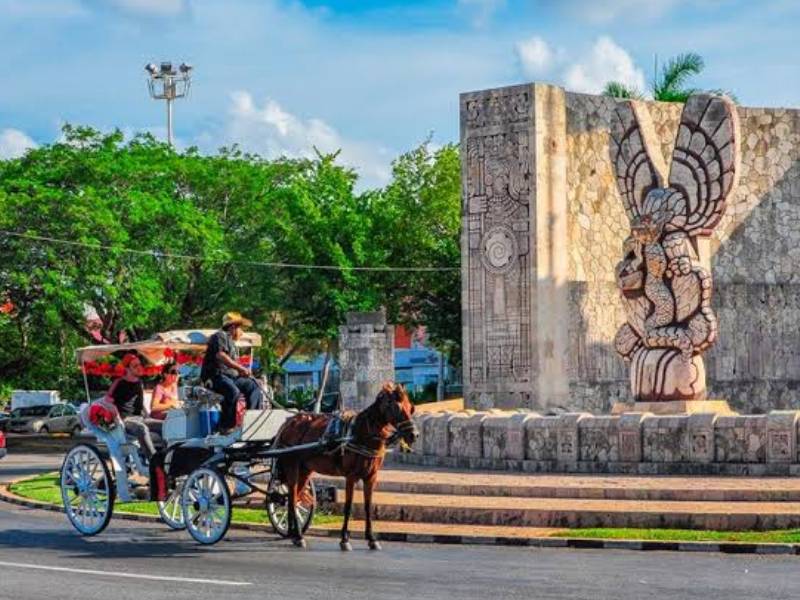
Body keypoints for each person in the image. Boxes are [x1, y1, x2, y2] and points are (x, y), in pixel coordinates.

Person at [201, 312, 263, 433]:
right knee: (232, 391)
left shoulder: (232, 344)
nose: (242, 332)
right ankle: (226, 426)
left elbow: (232, 367)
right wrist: (241, 368)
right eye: (241, 329)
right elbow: (221, 355)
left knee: (254, 386)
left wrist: (242, 373)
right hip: (215, 377)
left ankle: (252, 422)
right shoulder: (219, 336)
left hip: (231, 377)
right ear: (233, 327)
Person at [105, 352, 159, 459]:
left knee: (165, 425)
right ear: (128, 369)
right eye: (135, 366)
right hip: (125, 420)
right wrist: (118, 419)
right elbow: (107, 401)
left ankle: (168, 457)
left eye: (139, 364)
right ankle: (154, 460)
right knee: (141, 428)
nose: (139, 368)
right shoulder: (119, 383)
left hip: (140, 418)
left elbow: (141, 404)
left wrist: (148, 416)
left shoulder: (139, 383)